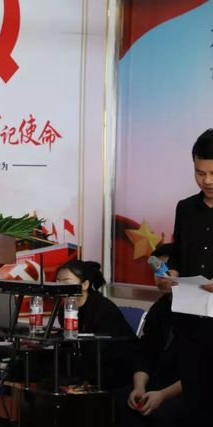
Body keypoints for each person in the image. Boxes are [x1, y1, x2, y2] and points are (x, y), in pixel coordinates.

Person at [157, 128, 213, 424]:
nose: (207, 181)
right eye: (200, 173)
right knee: (193, 407)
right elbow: (179, 256)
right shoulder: (186, 208)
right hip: (191, 323)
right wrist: (171, 276)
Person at [115, 244, 185, 427]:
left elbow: (201, 368)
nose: (161, 276)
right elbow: (145, 352)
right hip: (158, 381)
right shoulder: (159, 308)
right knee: (123, 400)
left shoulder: (201, 310)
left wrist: (162, 395)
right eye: (156, 271)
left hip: (188, 388)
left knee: (165, 413)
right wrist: (139, 387)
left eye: (166, 270)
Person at [55, 260, 137, 390]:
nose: (60, 287)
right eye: (57, 282)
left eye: (66, 281)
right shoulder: (64, 310)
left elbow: (101, 350)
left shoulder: (103, 309)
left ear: (85, 284)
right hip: (88, 366)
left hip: (114, 370)